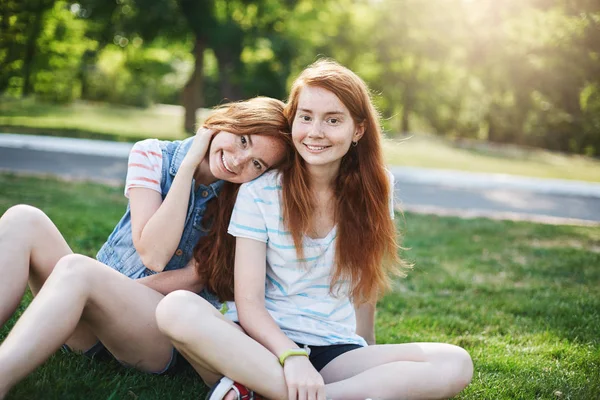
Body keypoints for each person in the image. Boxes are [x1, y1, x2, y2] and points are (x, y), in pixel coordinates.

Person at [155, 60, 474, 400]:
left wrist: (368, 350)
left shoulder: (377, 188)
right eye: (305, 117)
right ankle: (287, 388)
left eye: (333, 120)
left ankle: (275, 394)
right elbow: (249, 304)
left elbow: (363, 286)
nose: (315, 132)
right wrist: (291, 357)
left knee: (455, 361)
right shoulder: (260, 192)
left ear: (358, 130)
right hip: (258, 345)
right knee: (177, 309)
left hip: (333, 350)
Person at [0, 97, 292, 399]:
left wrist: (102, 293)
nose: (239, 160)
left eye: (257, 163)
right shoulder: (152, 154)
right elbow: (150, 248)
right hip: (87, 319)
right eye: (243, 141)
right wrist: (188, 164)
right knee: (24, 218)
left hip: (151, 336)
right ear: (227, 120)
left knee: (78, 270)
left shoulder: (245, 199)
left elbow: (166, 262)